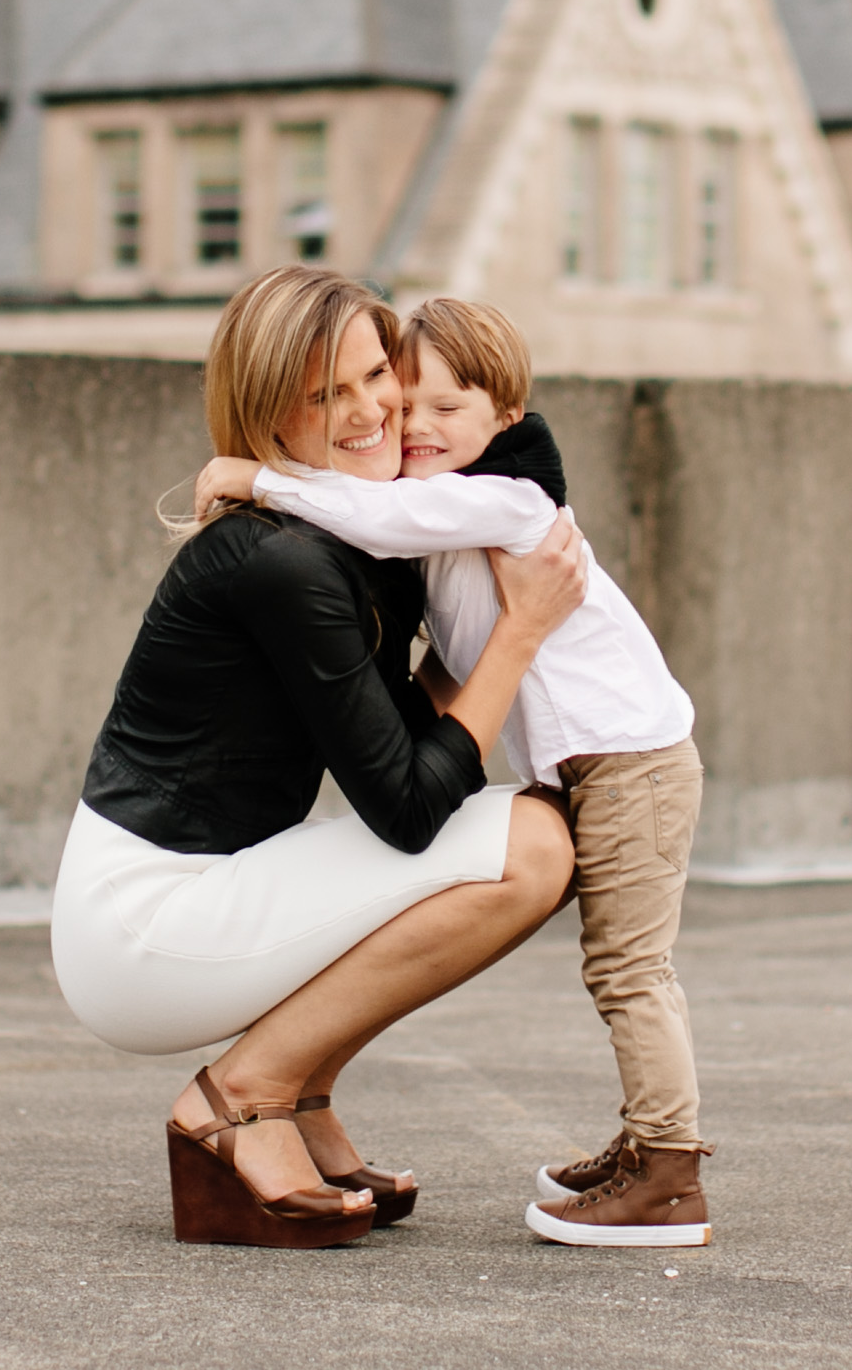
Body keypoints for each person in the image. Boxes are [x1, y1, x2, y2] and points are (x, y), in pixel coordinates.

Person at [50, 268, 588, 1250]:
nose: (370, 408)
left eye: (375, 372)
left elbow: (398, 749)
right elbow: (408, 807)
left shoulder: (347, 545)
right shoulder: (281, 561)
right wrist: (518, 635)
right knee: (533, 844)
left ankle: (298, 1089)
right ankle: (242, 1094)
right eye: (323, 395)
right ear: (269, 420)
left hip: (209, 894)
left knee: (535, 827)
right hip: (144, 927)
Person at [195, 297, 711, 1248]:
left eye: (452, 406)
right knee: (618, 968)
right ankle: (648, 1141)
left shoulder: (507, 497)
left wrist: (257, 479)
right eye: (410, 402)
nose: (419, 427)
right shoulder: (464, 507)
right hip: (596, 764)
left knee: (630, 969)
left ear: (506, 416)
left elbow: (383, 519)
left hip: (632, 763)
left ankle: (670, 1173)